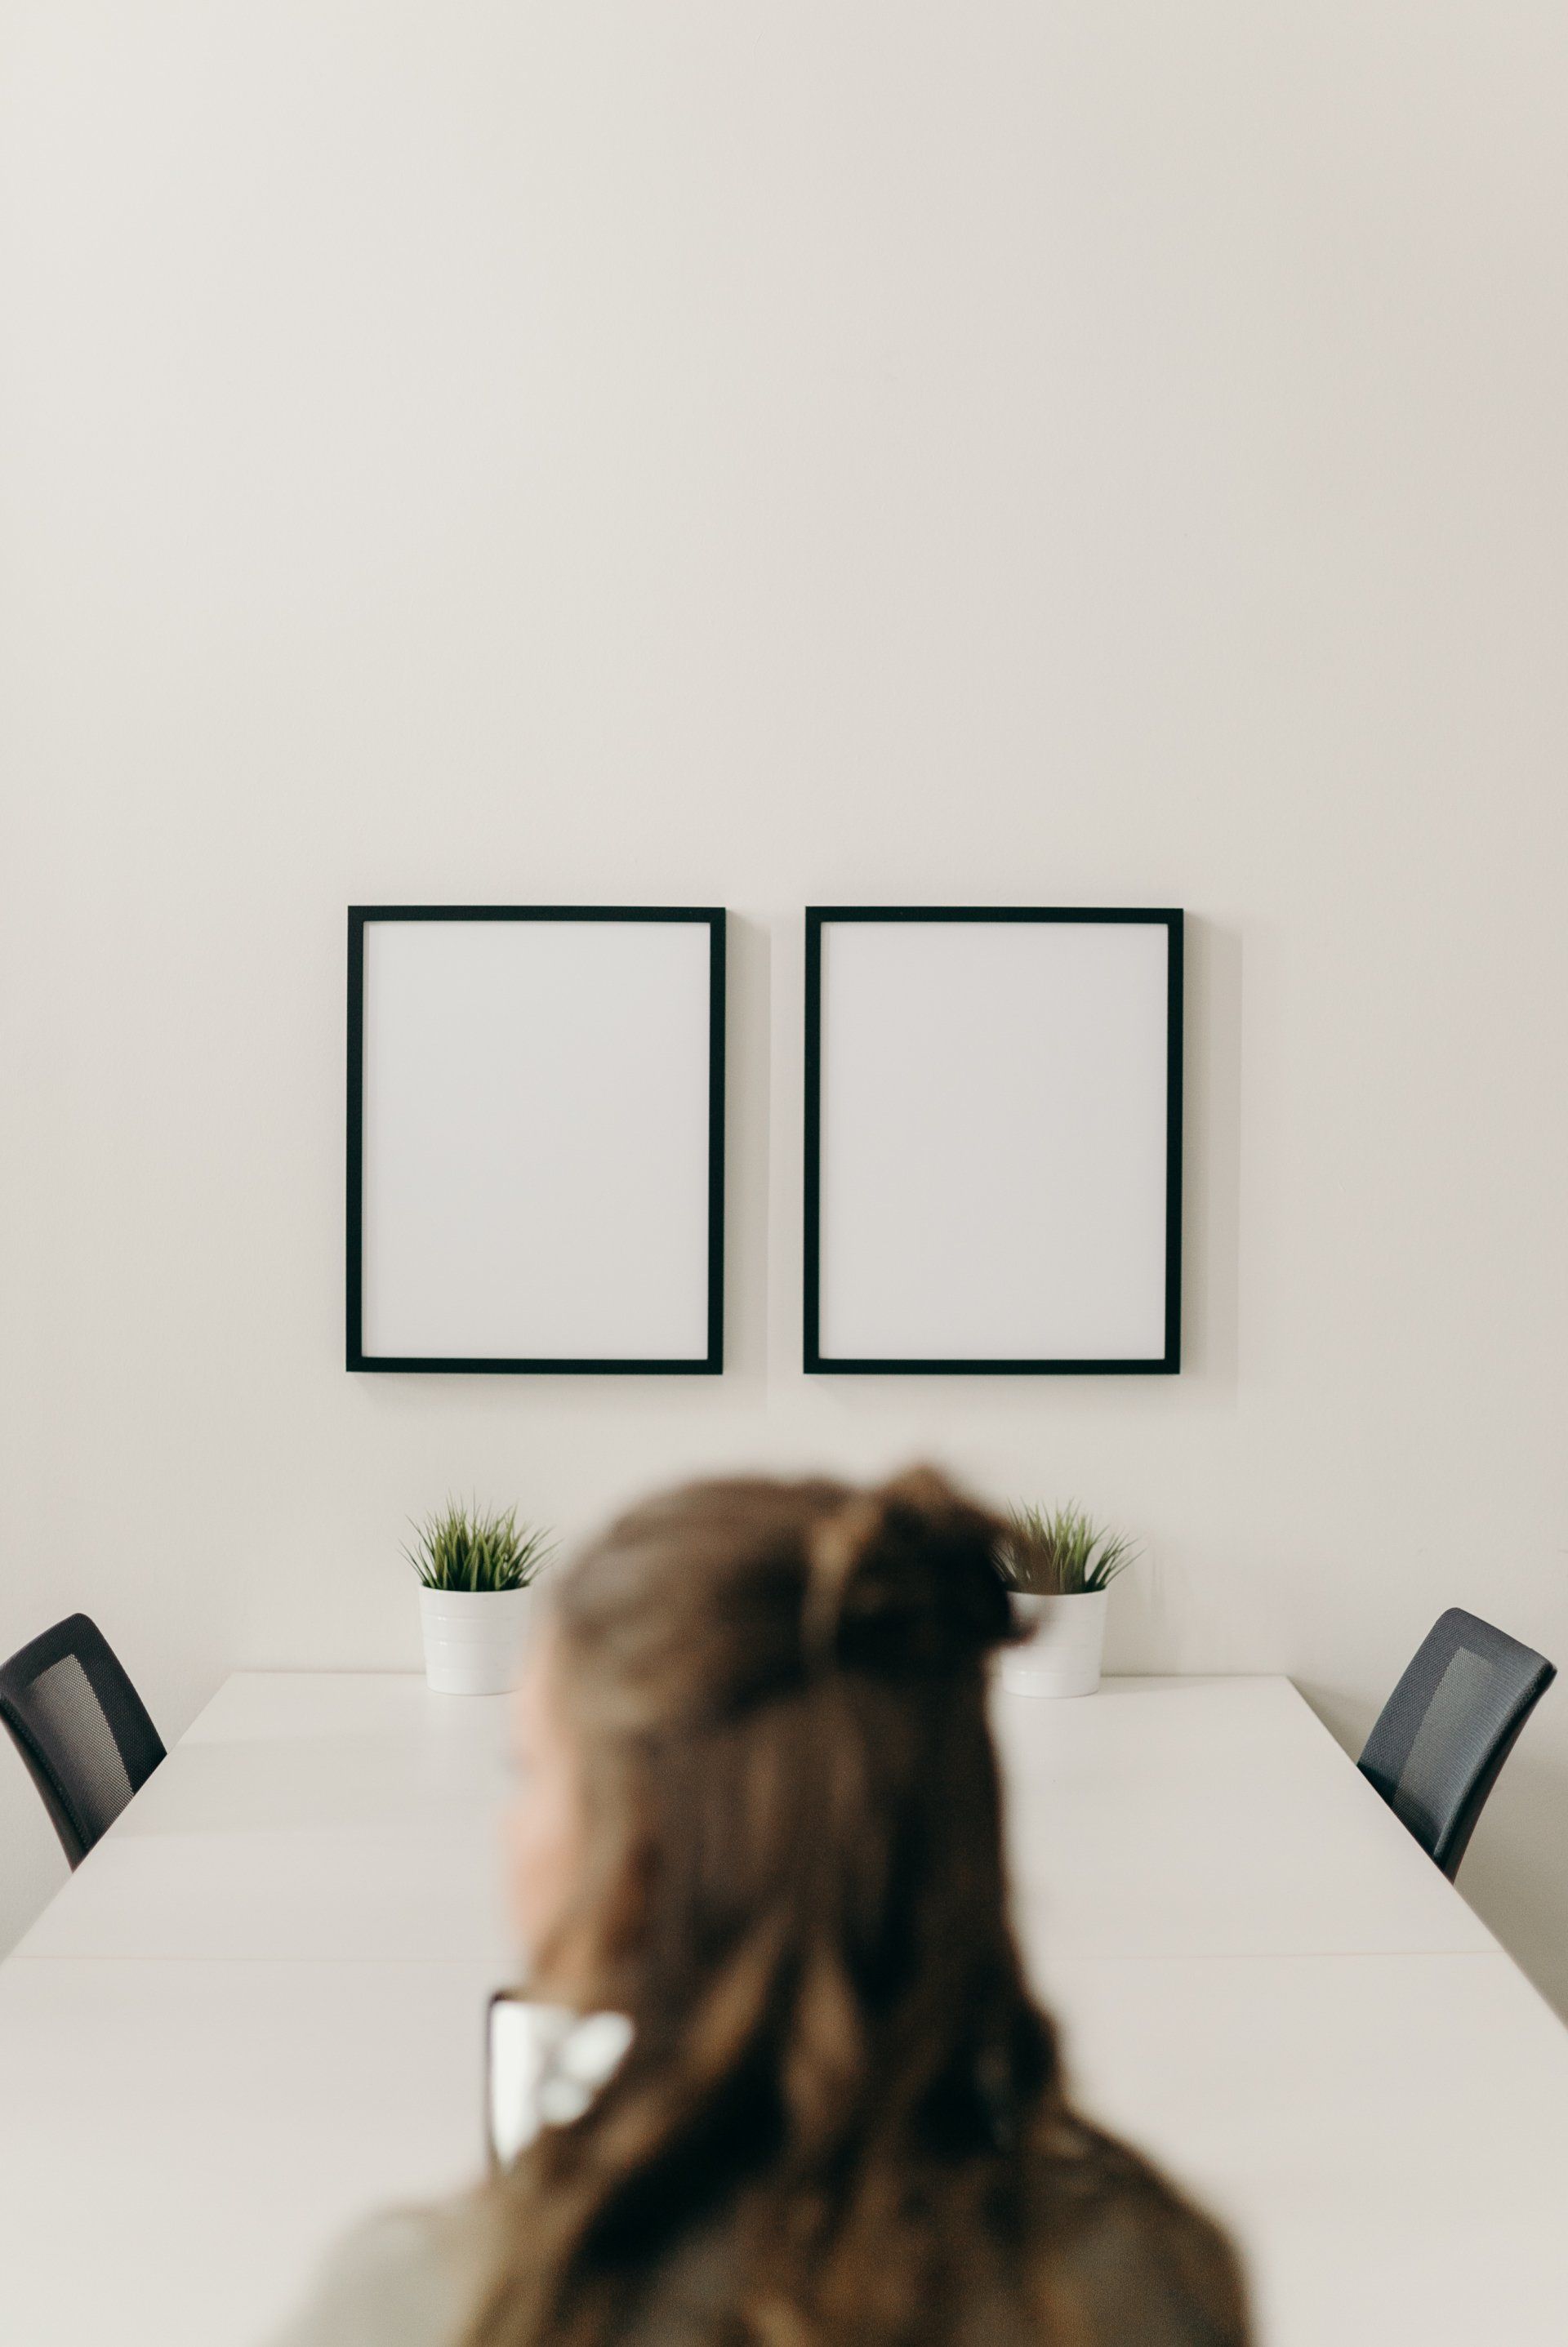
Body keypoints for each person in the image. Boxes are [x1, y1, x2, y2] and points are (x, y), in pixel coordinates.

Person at [270, 1468, 1250, 2347]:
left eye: (527, 1772)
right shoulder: (1146, 2279)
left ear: (636, 1859)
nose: (508, 1826)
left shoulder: (436, 2304)